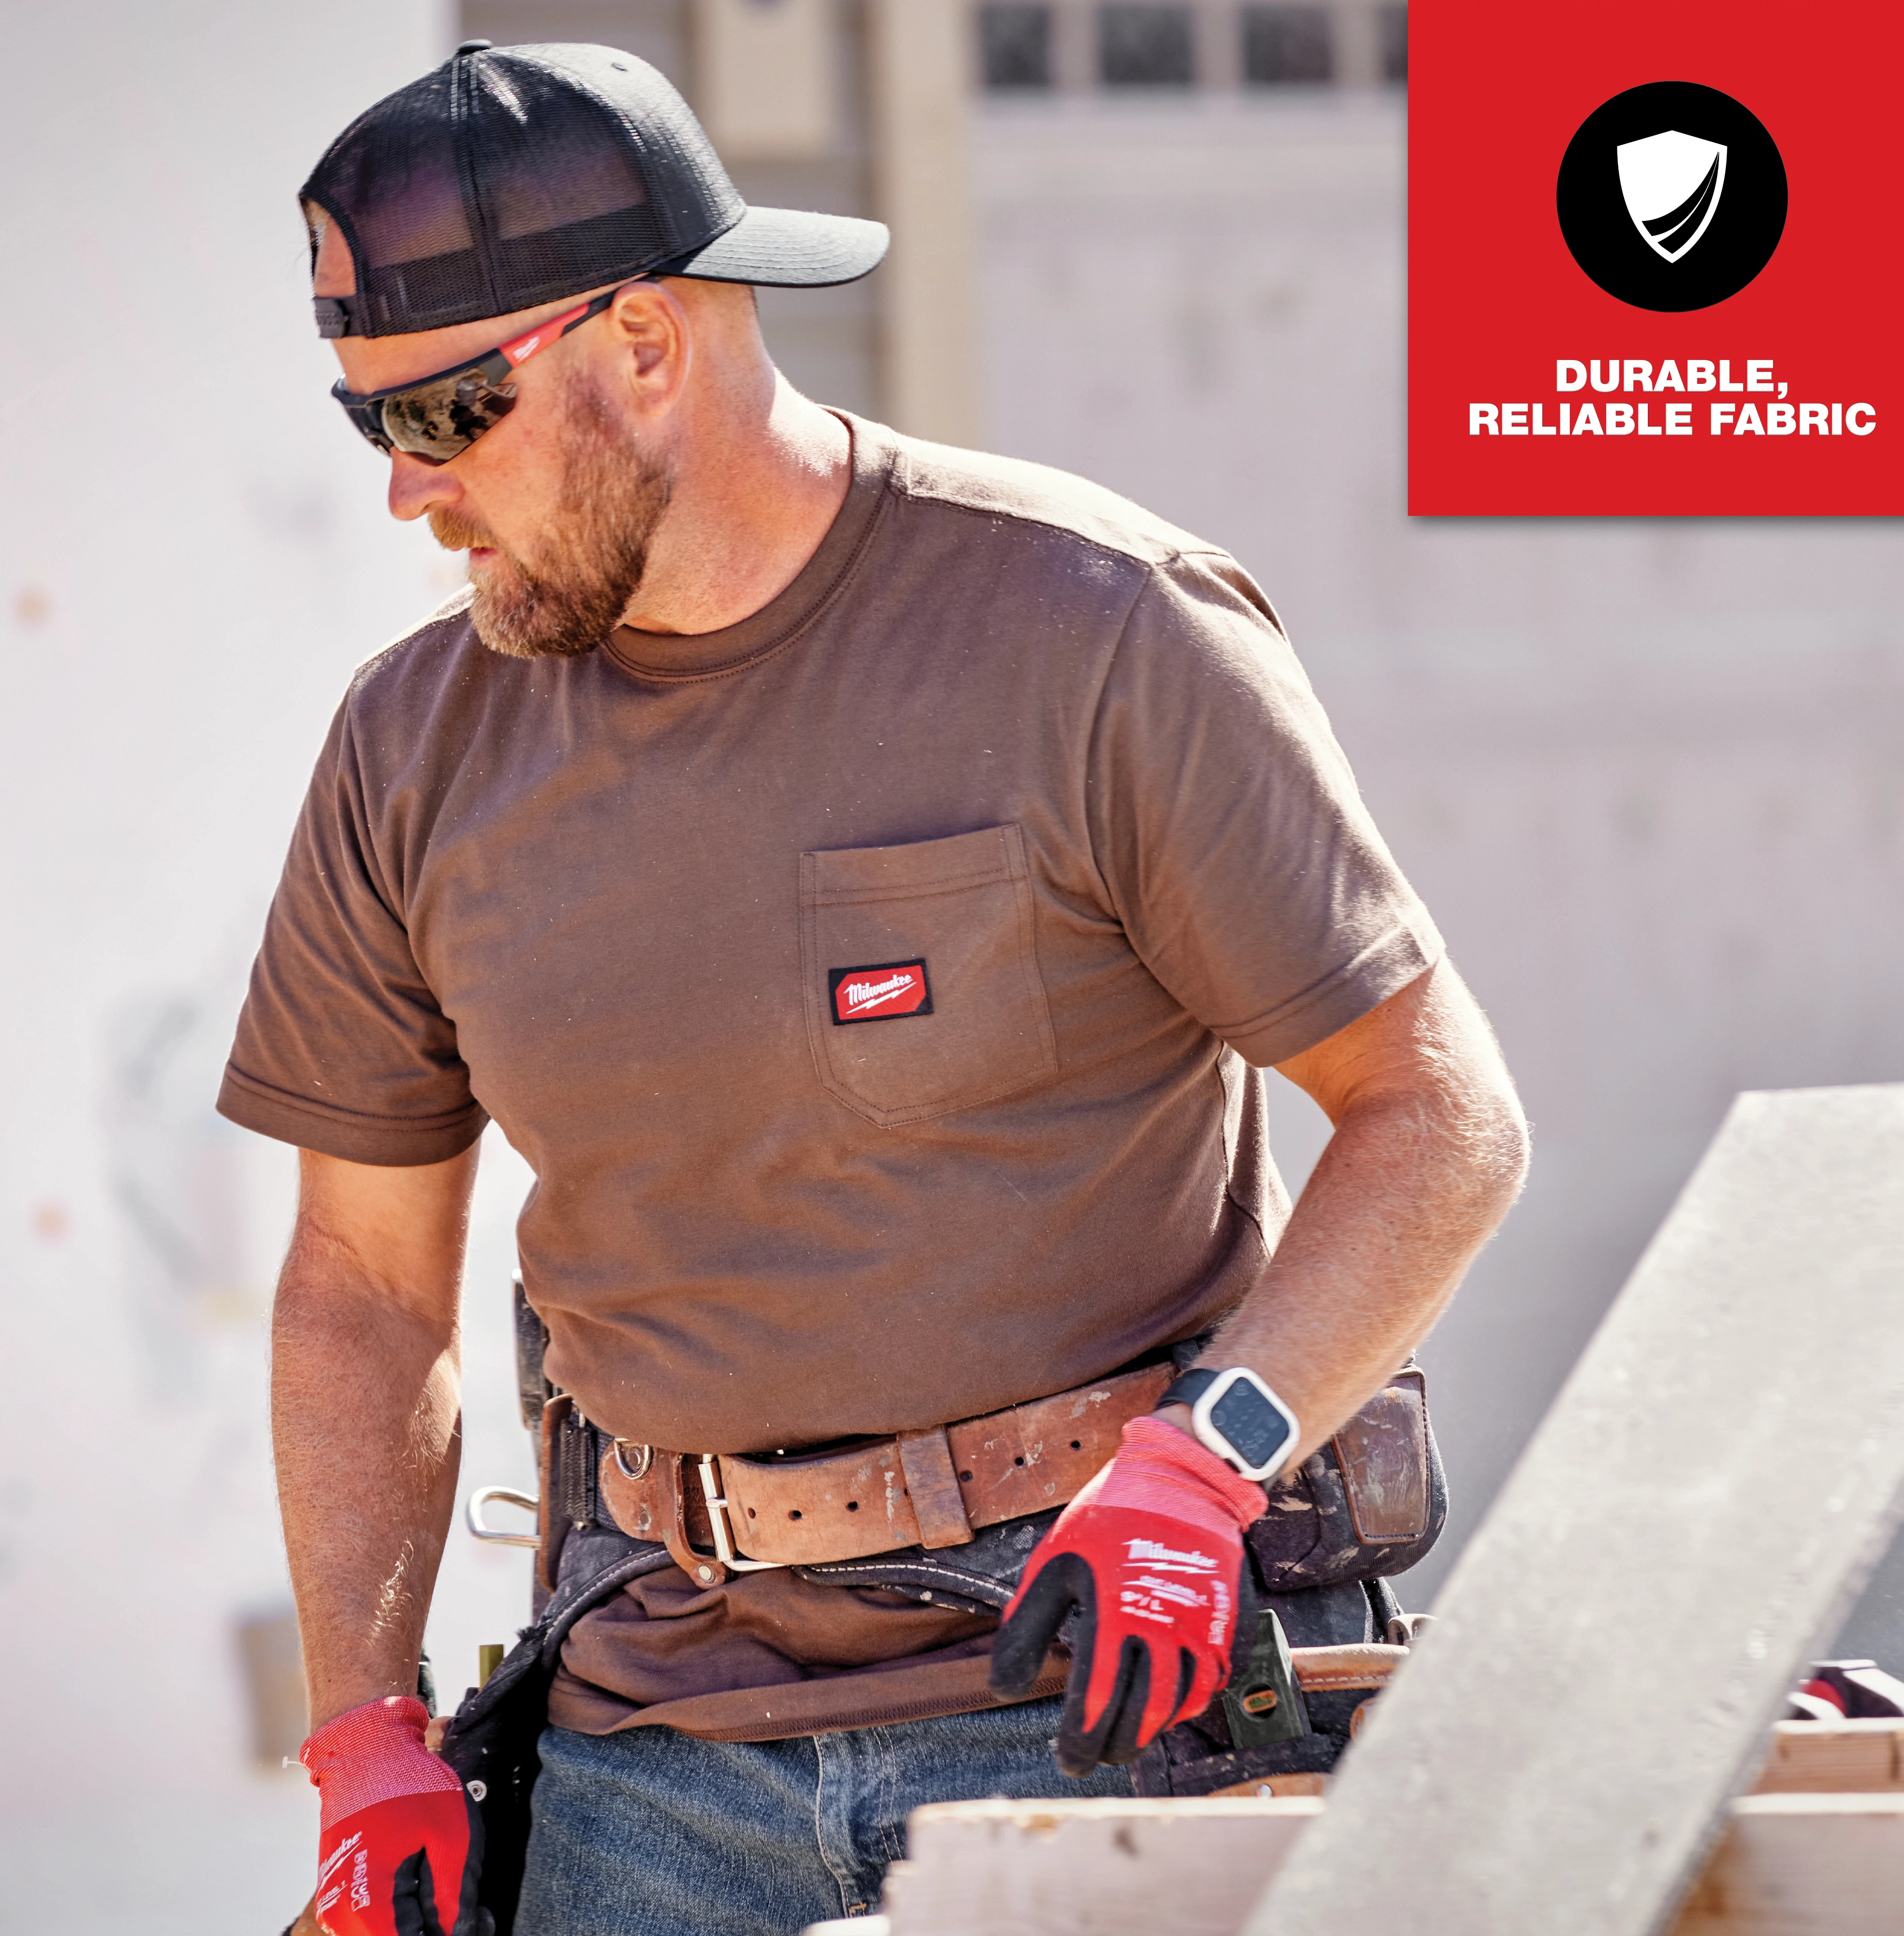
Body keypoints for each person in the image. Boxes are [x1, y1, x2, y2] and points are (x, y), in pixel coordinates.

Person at [234, 38, 1528, 1936]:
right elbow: (357, 1284)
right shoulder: (408, 751)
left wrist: (1211, 1463)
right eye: (371, 428)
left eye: (439, 418)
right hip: (642, 1767)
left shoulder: (1095, 631)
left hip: (1089, 1710)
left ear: (645, 344)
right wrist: (364, 1731)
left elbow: (1438, 1113)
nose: (407, 497)